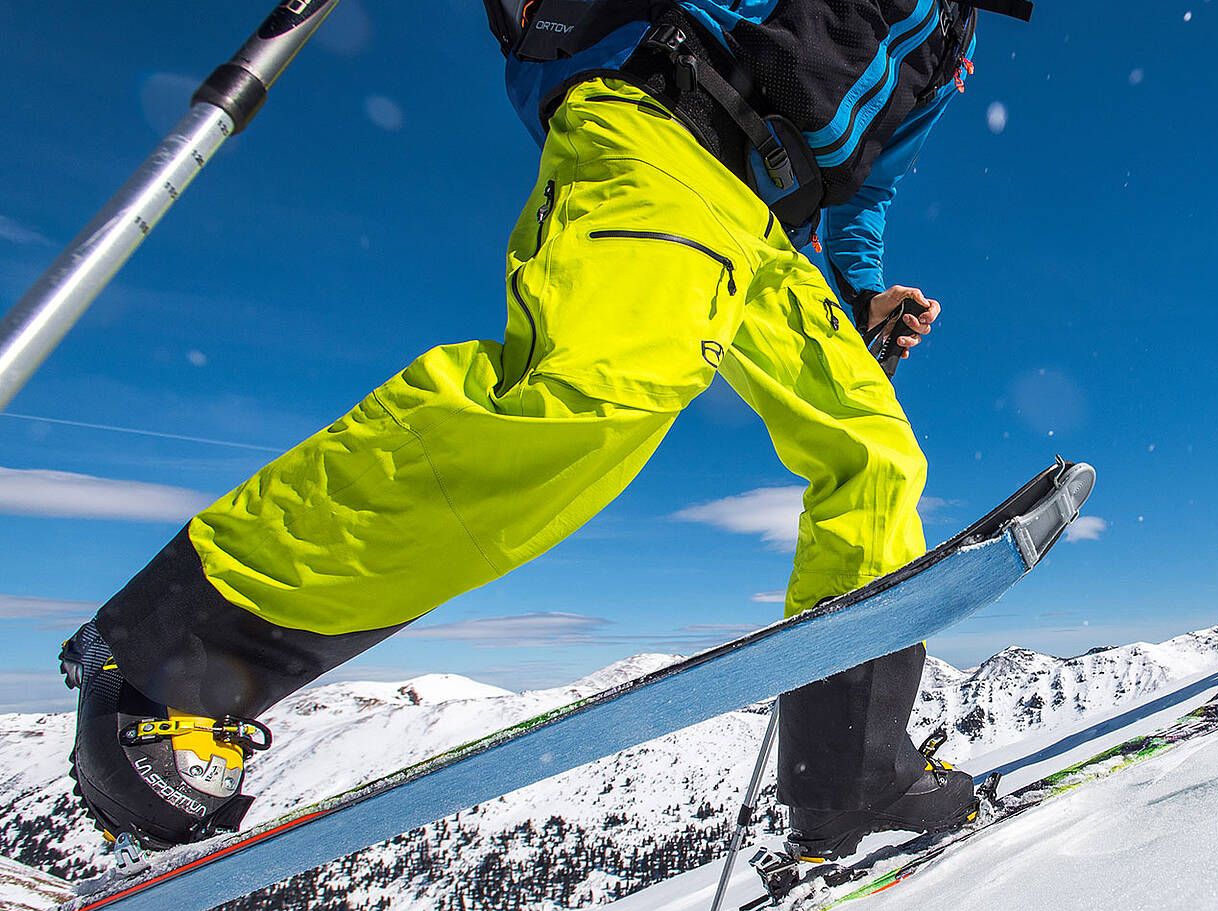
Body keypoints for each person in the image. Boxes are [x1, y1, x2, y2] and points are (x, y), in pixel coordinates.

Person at [59, 0, 1031, 859]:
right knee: (592, 395)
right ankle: (165, 659)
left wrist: (864, 290)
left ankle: (846, 784)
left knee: (876, 452)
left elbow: (868, 191)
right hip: (665, 128)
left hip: (769, 233)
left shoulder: (948, 44)